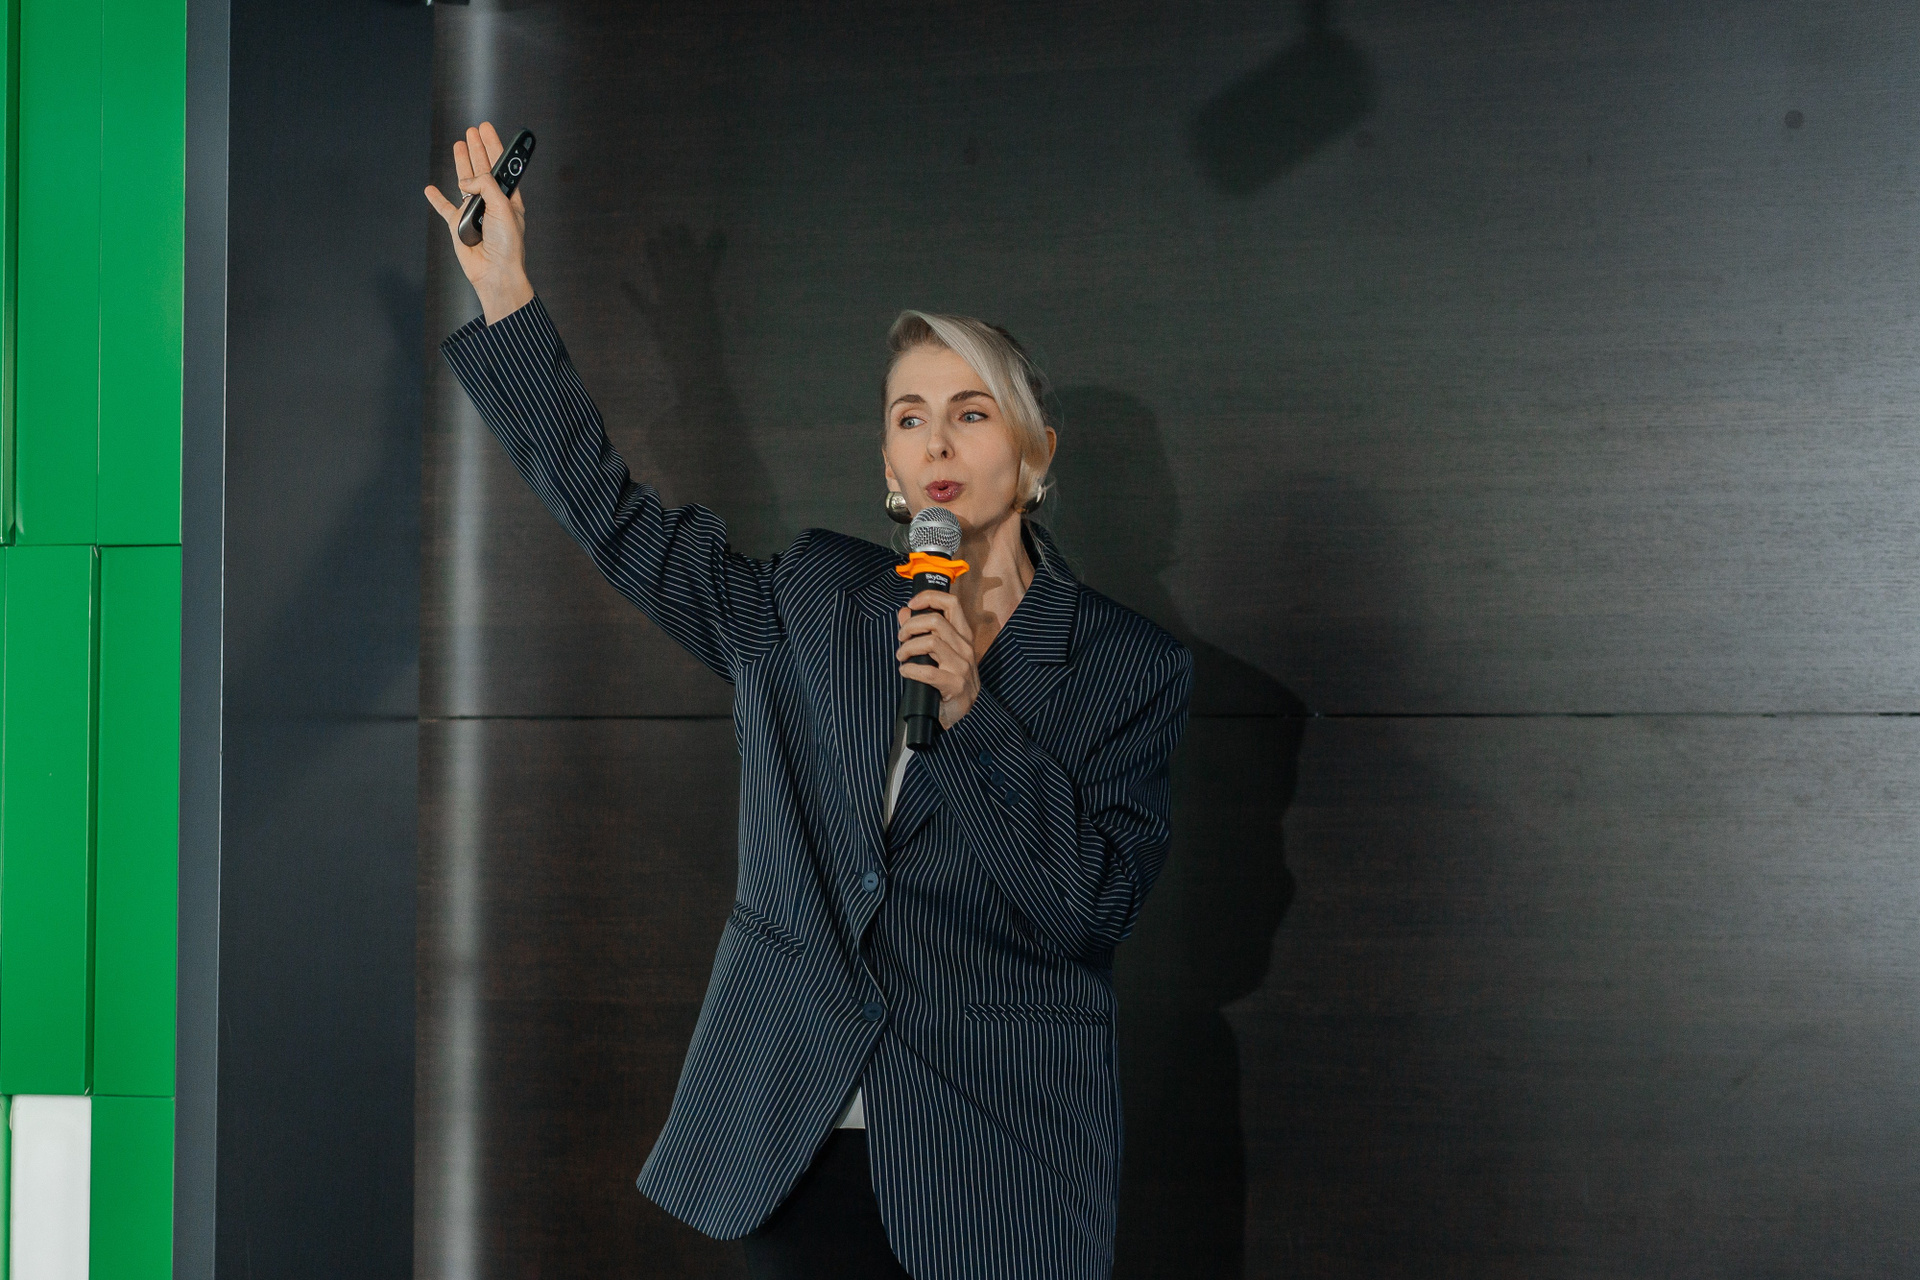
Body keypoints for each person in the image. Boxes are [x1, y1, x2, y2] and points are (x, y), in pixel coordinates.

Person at [424, 122, 1193, 1280]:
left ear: (1036, 452)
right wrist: (508, 299)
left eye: (971, 411)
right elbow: (625, 525)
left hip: (998, 1164)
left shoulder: (1126, 665)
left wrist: (976, 714)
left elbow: (1096, 903)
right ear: (888, 468)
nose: (935, 438)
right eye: (908, 415)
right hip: (792, 1138)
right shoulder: (818, 599)